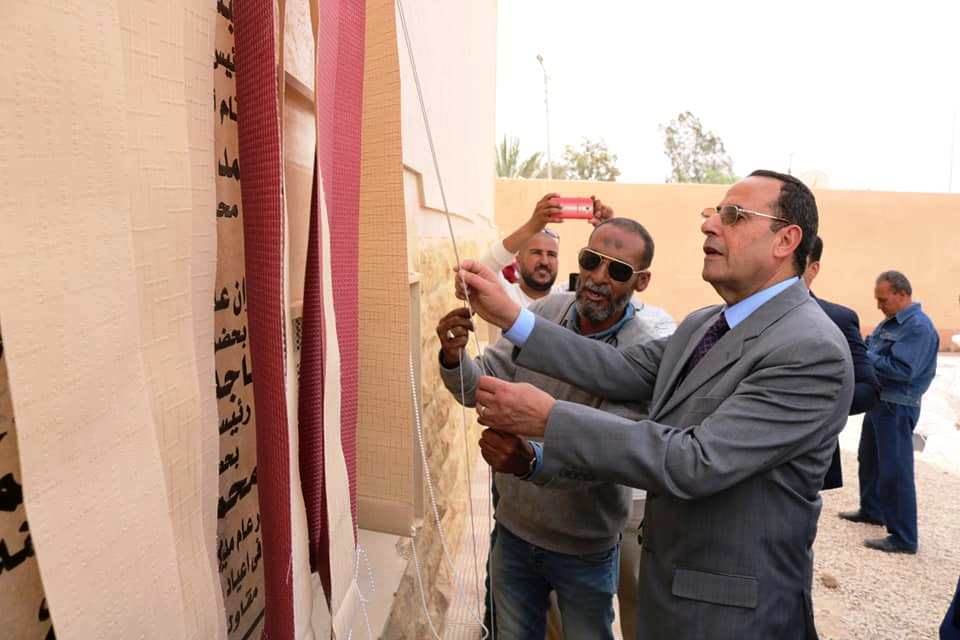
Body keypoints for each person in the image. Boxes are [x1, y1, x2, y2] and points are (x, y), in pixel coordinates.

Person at [455, 170, 854, 639]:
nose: (709, 225)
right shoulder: (705, 323)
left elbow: (696, 460)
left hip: (732, 617)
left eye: (734, 215)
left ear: (786, 240)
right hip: (670, 595)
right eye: (713, 213)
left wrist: (549, 420)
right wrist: (511, 316)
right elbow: (616, 368)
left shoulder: (809, 348)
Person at [438, 217, 661, 639]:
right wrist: (453, 358)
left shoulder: (642, 354)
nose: (598, 277)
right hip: (514, 535)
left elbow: (610, 454)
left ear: (642, 281)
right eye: (591, 261)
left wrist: (531, 462)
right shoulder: (545, 313)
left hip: (585, 550)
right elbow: (479, 386)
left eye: (617, 270)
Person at [839, 270, 939, 554]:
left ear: (902, 294)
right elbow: (874, 348)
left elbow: (904, 370)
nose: (879, 305)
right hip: (880, 400)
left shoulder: (918, 327)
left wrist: (866, 356)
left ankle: (904, 537)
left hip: (897, 405)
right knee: (869, 459)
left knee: (896, 470)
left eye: (883, 300)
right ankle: (872, 510)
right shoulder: (892, 322)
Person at [802, 236, 880, 489]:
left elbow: (868, 389)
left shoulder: (837, 318)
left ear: (813, 268)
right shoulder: (732, 315)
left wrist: (810, 405)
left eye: (796, 261)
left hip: (807, 457)